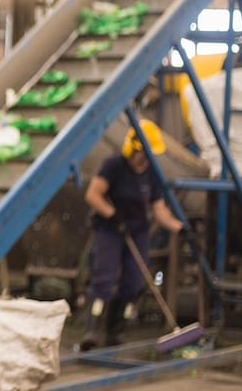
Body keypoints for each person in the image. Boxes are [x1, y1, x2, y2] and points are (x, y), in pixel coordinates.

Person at [79, 118, 184, 351]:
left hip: (138, 232)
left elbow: (159, 209)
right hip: (110, 229)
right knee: (104, 278)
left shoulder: (152, 173)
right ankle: (92, 330)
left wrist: (179, 227)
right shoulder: (114, 165)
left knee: (134, 281)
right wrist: (112, 215)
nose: (144, 159)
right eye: (141, 154)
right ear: (133, 149)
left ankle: (116, 331)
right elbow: (93, 195)